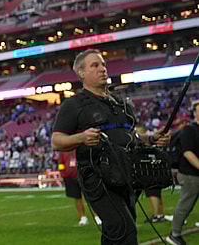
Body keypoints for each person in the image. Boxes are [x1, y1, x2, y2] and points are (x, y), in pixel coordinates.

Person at [52, 49, 169, 245]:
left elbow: (131, 137)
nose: (102, 69)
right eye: (95, 65)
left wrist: (152, 139)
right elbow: (56, 141)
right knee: (125, 230)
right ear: (81, 73)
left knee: (114, 232)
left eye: (103, 64)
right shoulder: (73, 104)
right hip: (97, 178)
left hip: (127, 175)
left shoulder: (122, 104)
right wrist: (81, 137)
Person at [166, 100, 199, 245]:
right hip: (190, 174)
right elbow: (187, 152)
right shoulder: (189, 130)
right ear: (195, 112)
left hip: (194, 172)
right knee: (186, 204)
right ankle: (174, 234)